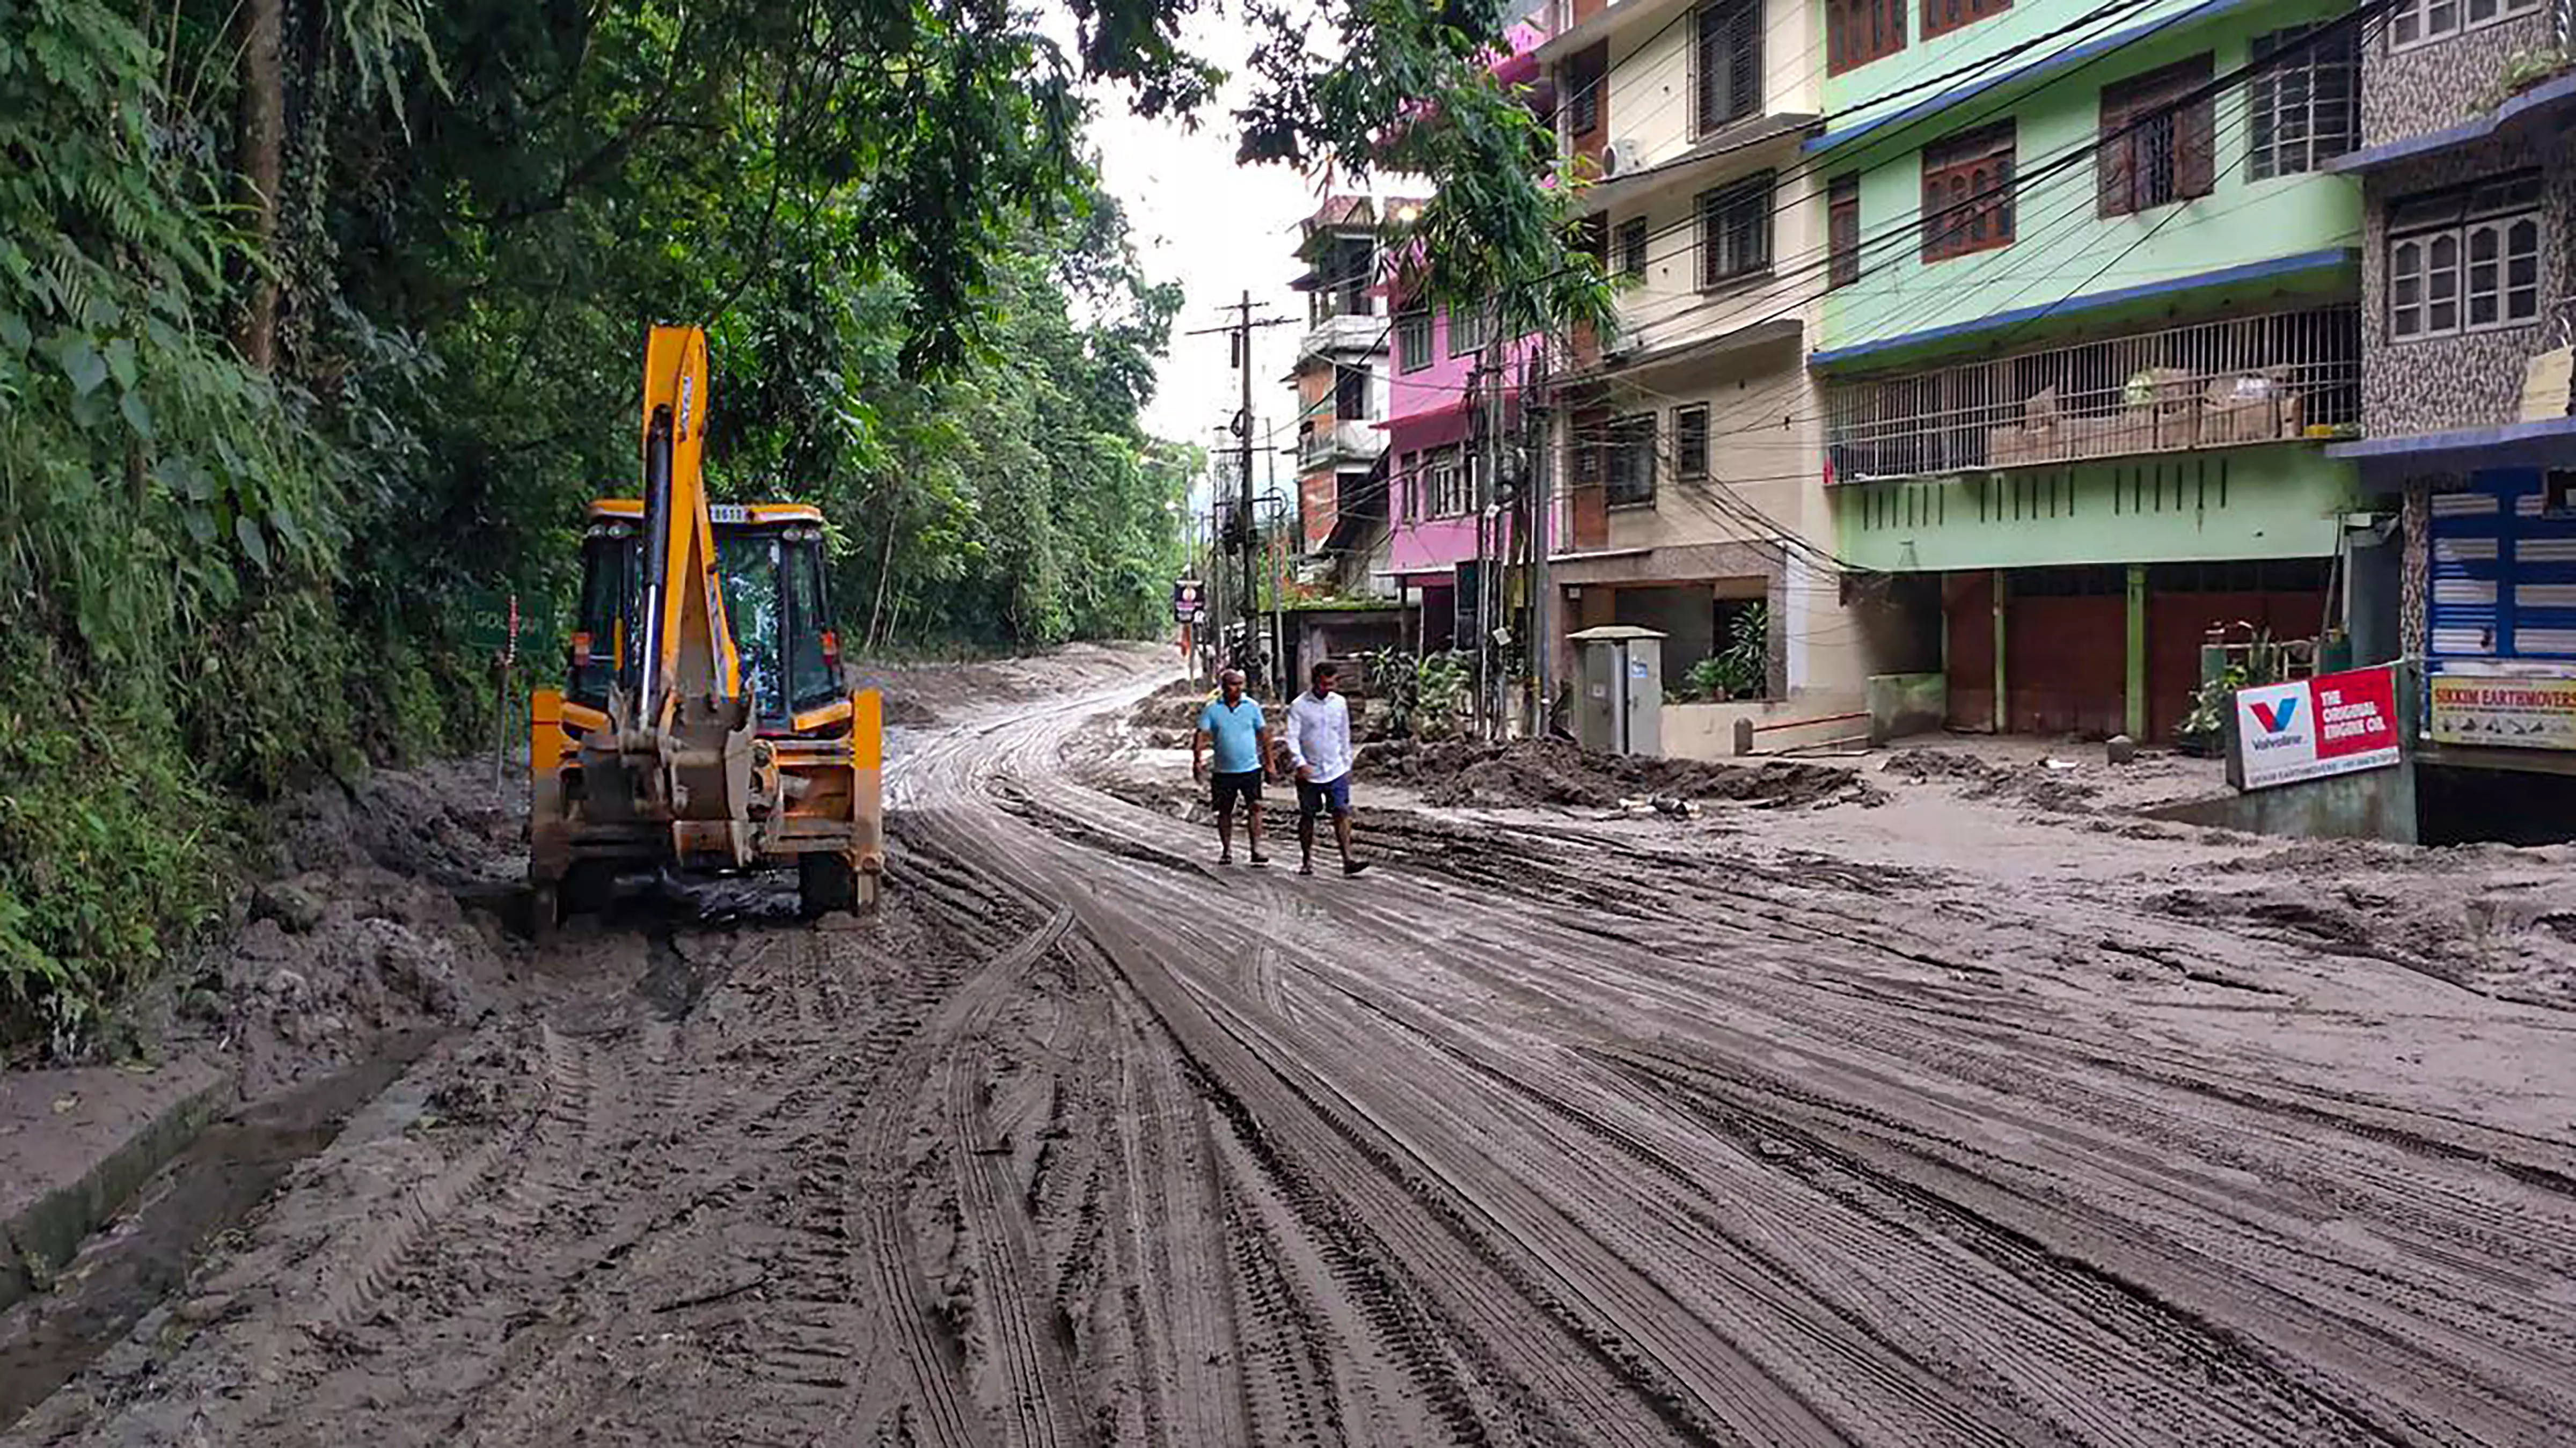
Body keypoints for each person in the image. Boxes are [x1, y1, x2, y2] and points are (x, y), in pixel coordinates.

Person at [1283, 661, 1368, 878]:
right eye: (1324, 684)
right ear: (1315, 682)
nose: (1328, 688)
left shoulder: (1339, 703)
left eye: (1332, 684)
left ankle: (1348, 859)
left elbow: (1344, 734)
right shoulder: (1299, 706)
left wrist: (1347, 762)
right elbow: (1292, 737)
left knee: (1341, 811)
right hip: (1309, 770)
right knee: (1308, 816)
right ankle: (1307, 860)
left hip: (1336, 768)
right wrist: (1299, 763)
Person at [1192, 669, 1272, 867]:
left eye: (1239, 684)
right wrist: (1197, 760)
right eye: (1232, 684)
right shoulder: (1212, 709)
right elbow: (1201, 734)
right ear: (1223, 686)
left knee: (1255, 807)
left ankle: (1256, 849)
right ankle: (1227, 850)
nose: (1237, 688)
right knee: (1225, 811)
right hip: (1223, 771)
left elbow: (1264, 734)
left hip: (1250, 768)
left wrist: (1270, 762)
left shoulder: (1252, 707)